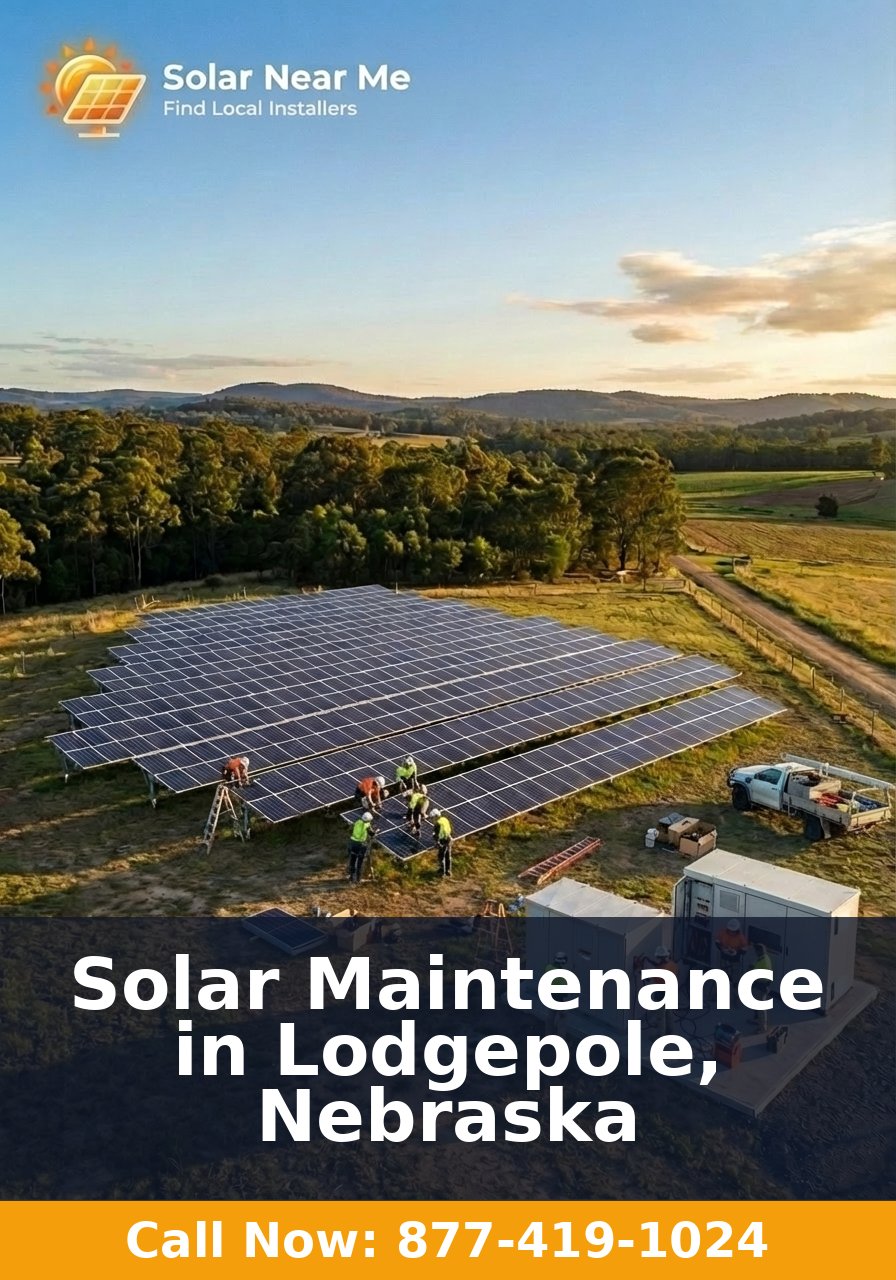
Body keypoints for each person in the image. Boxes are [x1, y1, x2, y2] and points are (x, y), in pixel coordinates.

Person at [751, 943, 774, 1032]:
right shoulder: (765, 958)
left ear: (759, 951)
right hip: (761, 985)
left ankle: (762, 1027)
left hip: (761, 986)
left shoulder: (762, 961)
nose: (755, 953)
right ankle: (757, 1020)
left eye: (756, 951)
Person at [347, 812, 374, 884]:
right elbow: (371, 833)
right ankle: (358, 879)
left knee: (352, 860)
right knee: (360, 862)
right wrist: (375, 832)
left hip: (352, 843)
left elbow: (351, 830)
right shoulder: (367, 825)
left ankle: (351, 877)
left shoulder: (357, 822)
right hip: (361, 844)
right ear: (368, 820)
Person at [430, 809, 453, 877]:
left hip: (443, 841)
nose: (432, 819)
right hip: (449, 839)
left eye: (432, 818)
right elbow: (449, 828)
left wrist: (437, 843)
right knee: (448, 856)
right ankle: (448, 871)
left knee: (441, 856)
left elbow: (436, 835)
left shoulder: (437, 824)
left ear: (436, 816)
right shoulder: (444, 819)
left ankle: (442, 872)